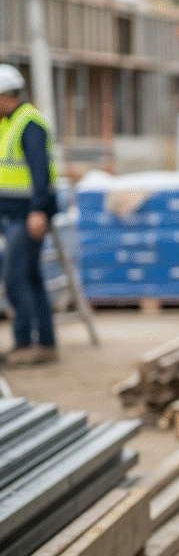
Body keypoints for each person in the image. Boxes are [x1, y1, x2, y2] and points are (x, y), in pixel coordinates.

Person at [0, 64, 60, 367]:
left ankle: (25, 343)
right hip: (10, 213)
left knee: (15, 278)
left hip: (27, 215)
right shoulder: (7, 122)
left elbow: (40, 172)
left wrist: (38, 210)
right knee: (32, 278)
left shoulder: (29, 123)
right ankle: (46, 343)